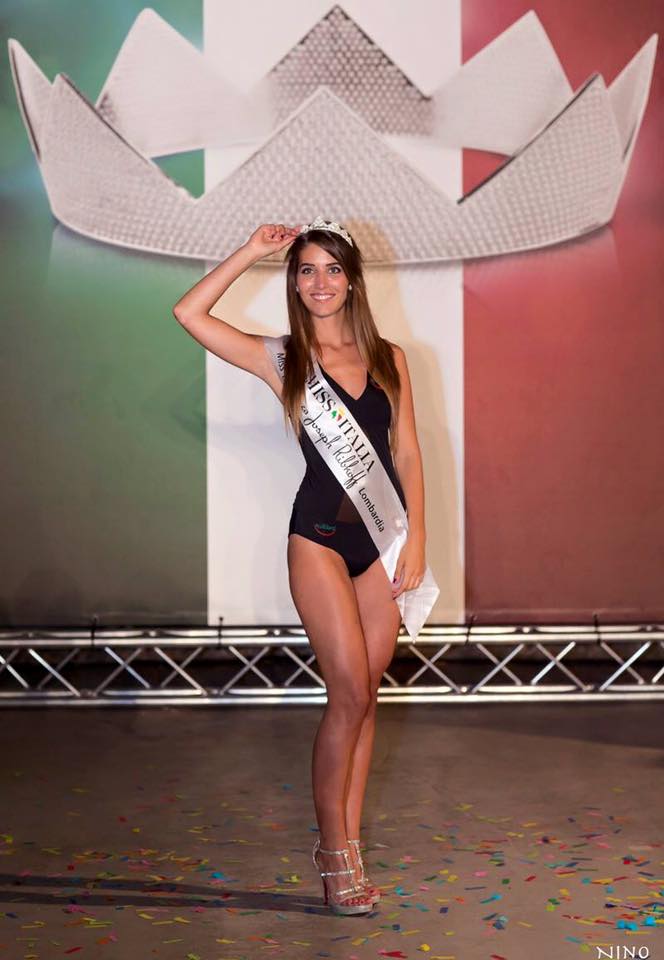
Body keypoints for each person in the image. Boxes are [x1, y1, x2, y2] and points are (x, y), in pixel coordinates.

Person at [173, 221, 430, 915]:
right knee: (347, 692)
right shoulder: (283, 358)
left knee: (367, 696)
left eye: (332, 269)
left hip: (381, 543)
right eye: (307, 270)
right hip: (317, 540)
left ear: (352, 279)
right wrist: (252, 251)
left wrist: (419, 539)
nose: (320, 282)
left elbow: (406, 452)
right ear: (294, 281)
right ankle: (332, 855)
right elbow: (189, 313)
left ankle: (351, 848)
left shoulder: (390, 357)